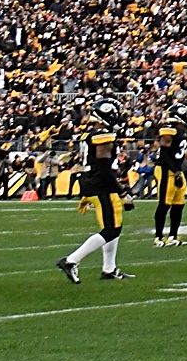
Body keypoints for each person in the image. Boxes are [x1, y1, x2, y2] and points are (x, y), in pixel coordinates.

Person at [57, 105, 136, 284]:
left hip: (93, 180)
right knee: (111, 229)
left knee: (113, 226)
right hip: (101, 183)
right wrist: (122, 190)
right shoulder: (102, 136)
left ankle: (109, 269)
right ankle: (71, 261)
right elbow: (103, 168)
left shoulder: (89, 134)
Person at [151, 123, 187, 246]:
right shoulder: (169, 130)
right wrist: (176, 171)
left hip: (177, 170)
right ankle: (158, 237)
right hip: (166, 170)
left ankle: (173, 236)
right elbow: (164, 155)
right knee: (164, 204)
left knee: (179, 204)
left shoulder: (181, 135)